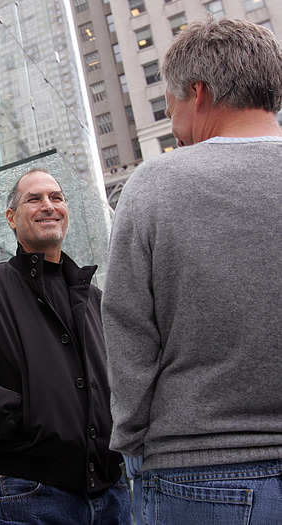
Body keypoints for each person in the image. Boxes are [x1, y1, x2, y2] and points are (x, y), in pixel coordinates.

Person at [102, 18, 282, 525]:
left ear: (197, 94)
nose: (172, 118)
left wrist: (132, 436)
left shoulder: (155, 183)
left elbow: (129, 330)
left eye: (171, 102)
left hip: (200, 474)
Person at [0, 169, 128, 524]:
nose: (48, 206)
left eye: (56, 198)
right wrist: (26, 415)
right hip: (30, 497)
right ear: (12, 219)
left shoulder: (94, 299)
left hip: (112, 496)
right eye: (35, 199)